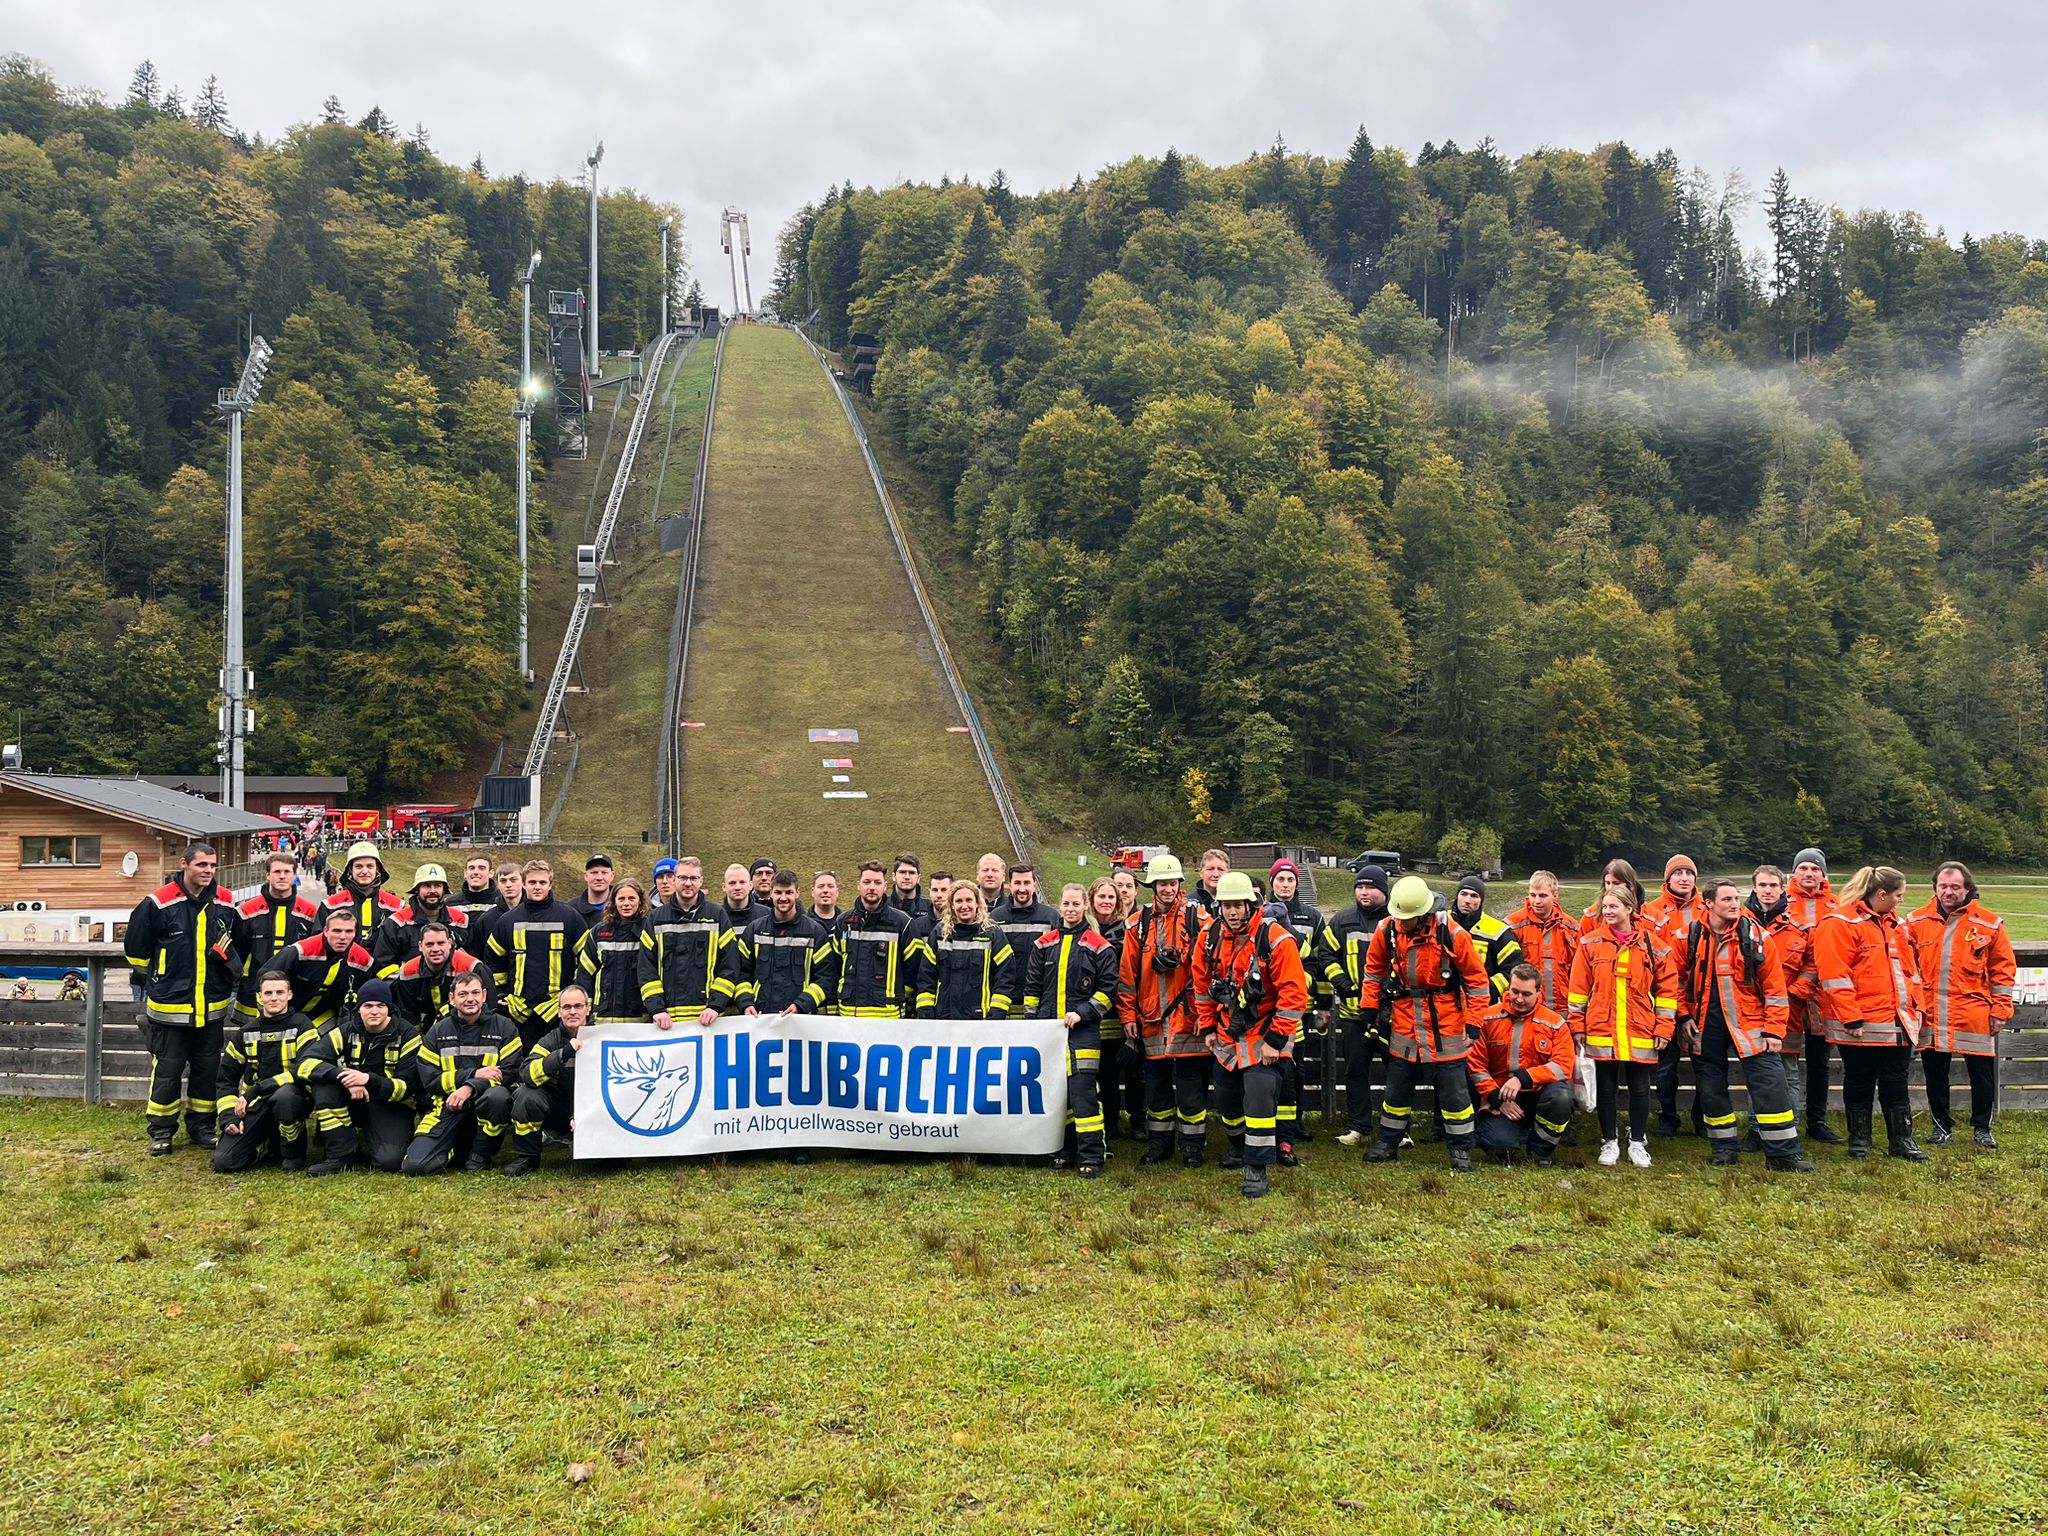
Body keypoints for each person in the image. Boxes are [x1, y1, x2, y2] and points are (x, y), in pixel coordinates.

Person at [1675, 880, 1815, 1172]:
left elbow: (1775, 988)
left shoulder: (1756, 936)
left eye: (1736, 898)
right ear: (1708, 903)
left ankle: (1782, 1154)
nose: (1734, 903)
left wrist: (1775, 1030)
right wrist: (1683, 1016)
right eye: (1726, 899)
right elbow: (1672, 980)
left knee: (1770, 1084)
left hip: (1751, 1024)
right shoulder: (1688, 936)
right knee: (1711, 1087)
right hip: (1704, 1023)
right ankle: (1723, 1149)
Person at [1360, 876, 1490, 1171]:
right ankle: (1389, 1142)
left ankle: (1460, 1149)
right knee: (1397, 1086)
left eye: (1407, 919)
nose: (1401, 923)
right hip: (1405, 1017)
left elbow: (1477, 982)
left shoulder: (1452, 933)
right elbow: (1373, 971)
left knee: (1454, 1089)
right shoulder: (1387, 929)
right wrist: (1369, 1006)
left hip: (1446, 1019)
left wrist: (1474, 1022)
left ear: (1423, 914)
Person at [1193, 870, 1309, 1197]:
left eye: (1238, 905)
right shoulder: (1208, 937)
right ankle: (1238, 1146)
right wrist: (1208, 1027)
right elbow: (1202, 988)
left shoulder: (1274, 938)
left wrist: (1276, 1040)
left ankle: (1256, 1167)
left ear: (1250, 904)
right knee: (1228, 1100)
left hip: (1264, 1033)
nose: (1232, 911)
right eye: (1226, 905)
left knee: (1259, 1099)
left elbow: (1294, 994)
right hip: (1227, 1033)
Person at [125, 841, 242, 1155]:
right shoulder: (157, 903)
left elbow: (238, 943)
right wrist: (160, 978)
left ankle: (202, 1129)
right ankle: (161, 1132)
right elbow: (136, 951)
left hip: (212, 1010)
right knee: (167, 1073)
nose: (208, 871)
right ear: (184, 864)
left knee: (207, 1073)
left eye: (213, 866)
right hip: (168, 1008)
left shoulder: (227, 902)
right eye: (202, 865)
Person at [1814, 866, 1928, 1162]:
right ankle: (1860, 1140)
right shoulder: (1839, 923)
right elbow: (1833, 974)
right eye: (1898, 895)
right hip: (1861, 1024)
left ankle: (1901, 1140)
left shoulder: (1896, 925)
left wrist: (1917, 1007)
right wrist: (1850, 1017)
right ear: (1881, 895)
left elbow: (1910, 971)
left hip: (1897, 1021)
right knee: (1859, 1079)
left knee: (1896, 1081)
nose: (1901, 901)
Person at [1568, 885, 1677, 1168]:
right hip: (1601, 1028)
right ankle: (1609, 1141)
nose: (1608, 912)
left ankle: (1638, 1142)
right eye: (1605, 907)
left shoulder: (1654, 946)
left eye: (1614, 907)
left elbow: (1667, 992)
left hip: (1641, 1029)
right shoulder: (1589, 944)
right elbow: (1578, 989)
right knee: (1606, 1087)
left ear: (1630, 909)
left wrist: (1664, 1028)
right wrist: (1577, 1025)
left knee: (1640, 1087)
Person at [1906, 860, 2013, 1150]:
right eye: (1943, 886)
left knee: (1982, 1074)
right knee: (1935, 1073)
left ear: (1968, 889)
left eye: (1955, 886)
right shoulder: (1914, 922)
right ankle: (1941, 1126)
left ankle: (1983, 1128)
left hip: (1973, 1011)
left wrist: (2001, 1010)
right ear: (1935, 887)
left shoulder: (1989, 923)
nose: (1948, 891)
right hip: (1929, 1012)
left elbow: (2003, 970)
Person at [1120, 854, 1212, 1167]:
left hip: (1189, 1019)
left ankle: (1192, 1147)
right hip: (1151, 1021)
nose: (1168, 888)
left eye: (1172, 882)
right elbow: (1127, 976)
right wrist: (1128, 1016)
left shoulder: (1198, 918)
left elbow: (1210, 969)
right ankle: (1160, 1144)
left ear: (1179, 884)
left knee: (1191, 1090)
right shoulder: (1137, 924)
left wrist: (1205, 1014)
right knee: (1156, 1090)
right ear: (1152, 886)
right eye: (1162, 883)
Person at [1024, 883, 1119, 1177]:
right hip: (1050, 1035)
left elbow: (1108, 992)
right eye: (1066, 904)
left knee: (1083, 1094)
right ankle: (1065, 1151)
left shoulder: (1099, 946)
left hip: (1084, 1034)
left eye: (1076, 904)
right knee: (1057, 1095)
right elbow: (1032, 988)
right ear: (1060, 905)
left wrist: (1083, 1012)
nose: (1070, 909)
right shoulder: (1044, 943)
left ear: (1085, 907)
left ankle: (1092, 1155)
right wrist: (1032, 1022)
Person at [401, 970, 524, 1175]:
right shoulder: (437, 1031)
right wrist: (474, 1075)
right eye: (463, 994)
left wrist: (468, 1087)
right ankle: (456, 1151)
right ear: (451, 999)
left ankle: (480, 1156)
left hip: (485, 1105)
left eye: (475, 993)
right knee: (415, 1166)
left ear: (484, 995)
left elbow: (509, 1073)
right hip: (447, 1107)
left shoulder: (504, 1027)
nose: (470, 999)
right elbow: (429, 1079)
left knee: (498, 1097)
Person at [299, 977, 421, 1175]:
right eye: (368, 1005)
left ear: (389, 1008)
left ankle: (367, 1141)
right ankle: (340, 1155)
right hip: (353, 1098)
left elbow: (406, 1087)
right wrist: (344, 1077)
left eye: (381, 1005)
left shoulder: (408, 1035)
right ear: (358, 1009)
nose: (374, 1011)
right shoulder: (346, 1030)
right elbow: (305, 1064)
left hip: (390, 1104)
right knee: (324, 1085)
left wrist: (368, 1080)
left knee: (389, 1161)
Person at [1470, 963, 1575, 1166]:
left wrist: (1523, 1078)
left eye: (1526, 994)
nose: (1518, 999)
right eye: (1514, 991)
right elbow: (1476, 1066)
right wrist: (1498, 1100)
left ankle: (1541, 1151)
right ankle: (1517, 1136)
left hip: (1542, 1094)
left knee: (1561, 1097)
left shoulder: (1554, 1023)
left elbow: (1563, 1065)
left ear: (1538, 992)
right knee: (1499, 1148)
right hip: (1502, 1097)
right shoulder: (1488, 1018)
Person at [211, 971, 315, 1174]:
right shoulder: (246, 1032)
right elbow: (226, 1078)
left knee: (286, 1098)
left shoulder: (303, 1026)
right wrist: (227, 1117)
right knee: (225, 1162)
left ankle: (293, 1153)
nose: (274, 997)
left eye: (279, 992)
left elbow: (304, 1070)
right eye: (268, 993)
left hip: (294, 1098)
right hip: (256, 1104)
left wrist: (258, 1088)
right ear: (259, 996)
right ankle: (264, 1145)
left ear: (290, 995)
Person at [1265, 859, 1331, 1161]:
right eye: (1280, 880)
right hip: (1268, 1008)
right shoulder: (1262, 914)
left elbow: (1319, 962)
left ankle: (1297, 1120)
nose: (1285, 884)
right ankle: (1272, 1126)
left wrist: (1322, 1004)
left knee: (1297, 1067)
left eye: (1290, 880)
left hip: (1300, 1006)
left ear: (1297, 884)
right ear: (1272, 883)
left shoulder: (1313, 916)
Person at [1747, 865, 1815, 1147]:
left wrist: (1793, 993)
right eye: (1762, 885)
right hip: (1749, 1011)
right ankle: (1755, 1130)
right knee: (1756, 1074)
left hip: (1789, 1012)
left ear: (1783, 889)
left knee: (1787, 1073)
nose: (1767, 890)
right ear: (1754, 888)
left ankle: (1789, 1127)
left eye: (1773, 886)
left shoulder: (1801, 925)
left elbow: (1813, 966)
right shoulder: (1740, 922)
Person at [487, 860, 587, 1048]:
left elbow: (586, 959)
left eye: (542, 882)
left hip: (558, 1011)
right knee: (523, 1065)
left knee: (558, 1064)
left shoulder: (570, 917)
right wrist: (502, 993)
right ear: (524, 884)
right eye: (532, 882)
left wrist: (576, 993)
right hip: (519, 1011)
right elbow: (494, 959)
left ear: (550, 884)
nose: (537, 887)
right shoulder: (507, 920)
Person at [1644, 855, 1709, 1136]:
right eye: (1678, 873)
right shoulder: (1651, 911)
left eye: (1689, 873)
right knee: (1666, 1068)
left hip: (1702, 1000)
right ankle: (1668, 1118)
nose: (1684, 878)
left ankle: (1701, 1118)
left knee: (1705, 1066)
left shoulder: (1707, 908)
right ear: (1667, 879)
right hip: (1665, 998)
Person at [1327, 865, 1392, 1150]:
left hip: (1391, 1015)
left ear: (1384, 891)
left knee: (1397, 1072)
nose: (1364, 892)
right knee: (1355, 1072)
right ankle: (1359, 1128)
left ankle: (1397, 1130)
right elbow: (1326, 955)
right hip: (1353, 1014)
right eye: (1360, 887)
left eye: (1371, 887)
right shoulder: (1341, 920)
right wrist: (1341, 982)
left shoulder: (1396, 919)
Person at [724, 870, 842, 1015]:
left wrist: (801, 1005)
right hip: (759, 1019)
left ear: (797, 893)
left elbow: (825, 977)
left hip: (801, 1019)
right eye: (778, 892)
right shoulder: (754, 930)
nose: (783, 898)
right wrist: (746, 1003)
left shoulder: (815, 932)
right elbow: (741, 973)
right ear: (771, 892)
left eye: (788, 892)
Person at [506, 984, 594, 1177]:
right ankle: (527, 1157)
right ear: (559, 1012)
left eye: (578, 1006)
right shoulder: (550, 1040)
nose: (572, 1011)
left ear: (588, 1009)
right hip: (559, 1112)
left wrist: (582, 1115)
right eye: (566, 1007)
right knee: (526, 1095)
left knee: (608, 1165)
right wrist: (563, 1054)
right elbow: (527, 1073)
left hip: (593, 1112)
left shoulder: (603, 1037)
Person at [1786, 848, 1843, 1142]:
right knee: (1787, 1060)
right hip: (1791, 996)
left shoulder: (1838, 905)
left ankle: (1817, 1120)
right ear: (1794, 872)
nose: (1809, 874)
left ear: (1823, 875)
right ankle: (1786, 1118)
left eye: (1815, 869)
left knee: (1820, 1062)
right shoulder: (1783, 902)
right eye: (1804, 868)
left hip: (1824, 997)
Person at [233, 852, 319, 1024]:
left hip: (294, 994)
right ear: (267, 875)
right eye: (277, 871)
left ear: (294, 875)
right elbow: (236, 955)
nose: (282, 876)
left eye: (287, 872)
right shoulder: (246, 911)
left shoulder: (310, 912)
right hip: (252, 995)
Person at [259, 905, 373, 1030]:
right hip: (286, 1013)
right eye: (337, 931)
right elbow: (264, 978)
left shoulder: (363, 960)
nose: (342, 937)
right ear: (325, 931)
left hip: (325, 1017)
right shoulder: (301, 951)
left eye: (349, 931)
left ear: (355, 933)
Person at [914, 882, 1014, 1019]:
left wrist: (996, 1015)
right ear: (952, 905)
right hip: (944, 1020)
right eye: (959, 901)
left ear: (978, 903)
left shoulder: (993, 934)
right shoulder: (939, 934)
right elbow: (926, 979)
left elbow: (1005, 978)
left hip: (981, 1021)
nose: (964, 906)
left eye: (969, 900)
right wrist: (926, 1016)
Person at [652, 856, 729, 1031]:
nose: (688, 883)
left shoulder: (717, 916)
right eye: (683, 878)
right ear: (674, 879)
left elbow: (730, 965)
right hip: (666, 1020)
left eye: (693, 878)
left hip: (710, 1021)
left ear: (701, 881)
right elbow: (646, 968)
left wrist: (715, 1005)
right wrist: (656, 1008)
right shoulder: (656, 919)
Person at [838, 862, 922, 1019]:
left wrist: (899, 996)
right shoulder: (843, 922)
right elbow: (834, 966)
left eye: (877, 882)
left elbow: (915, 969)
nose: (871, 887)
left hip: (888, 1018)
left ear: (885, 886)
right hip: (848, 1017)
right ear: (858, 885)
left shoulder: (903, 923)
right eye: (866, 882)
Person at [1087, 875, 1134, 1140]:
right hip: (1088, 1013)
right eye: (1101, 896)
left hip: (1117, 1013)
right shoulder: (1083, 928)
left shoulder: (1127, 930)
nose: (1106, 901)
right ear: (1092, 899)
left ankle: (1114, 1122)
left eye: (1111, 897)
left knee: (1110, 1073)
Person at [575, 877, 658, 1024]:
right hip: (603, 1017)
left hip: (641, 1020)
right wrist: (585, 1010)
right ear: (613, 902)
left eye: (631, 898)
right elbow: (585, 976)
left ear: (640, 901)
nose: (626, 903)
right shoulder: (598, 933)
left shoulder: (649, 931)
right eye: (621, 899)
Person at [370, 863, 469, 975]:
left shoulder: (461, 921)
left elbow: (471, 962)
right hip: (410, 990)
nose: (432, 891)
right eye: (426, 886)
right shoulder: (396, 924)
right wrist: (404, 985)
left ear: (444, 889)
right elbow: (383, 966)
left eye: (437, 885)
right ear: (417, 889)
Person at [391, 920, 491, 1028]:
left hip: (468, 1028)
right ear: (420, 946)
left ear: (450, 943)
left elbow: (489, 1009)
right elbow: (408, 1016)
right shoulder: (408, 972)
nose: (435, 949)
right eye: (429, 944)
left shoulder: (472, 968)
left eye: (441, 943)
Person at [1506, 870, 1578, 1014]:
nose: (1537, 901)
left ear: (1555, 896)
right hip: (1525, 1008)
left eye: (1543, 896)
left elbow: (1580, 973)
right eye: (1533, 895)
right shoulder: (1512, 925)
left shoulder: (1572, 927)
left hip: (1562, 1009)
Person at [989, 865, 1058, 1007]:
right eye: (1017, 883)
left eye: (1026, 883)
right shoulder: (995, 917)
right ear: (1009, 885)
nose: (1022, 889)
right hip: (1002, 1000)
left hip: (1041, 1000)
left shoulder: (1051, 917)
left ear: (1035, 885)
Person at [323, 841, 402, 943]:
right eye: (359, 866)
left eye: (370, 866)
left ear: (377, 869)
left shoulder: (395, 906)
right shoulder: (330, 905)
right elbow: (320, 944)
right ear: (350, 870)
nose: (364, 871)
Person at [448, 854, 501, 957]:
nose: (476, 872)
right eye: (471, 868)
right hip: (462, 966)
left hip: (496, 963)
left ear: (491, 873)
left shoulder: (502, 901)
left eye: (481, 868)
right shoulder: (451, 903)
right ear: (465, 873)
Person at [1579, 858, 1646, 933]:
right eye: (1607, 883)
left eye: (1616, 883)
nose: (1610, 888)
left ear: (1630, 885)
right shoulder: (1591, 915)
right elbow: (1581, 943)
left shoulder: (1649, 915)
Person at [888, 852, 933, 922]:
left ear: (918, 878)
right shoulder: (882, 905)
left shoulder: (930, 907)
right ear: (894, 876)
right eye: (902, 872)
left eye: (912, 873)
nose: (907, 877)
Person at [569, 854, 615, 923]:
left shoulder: (622, 907)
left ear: (612, 876)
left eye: (604, 873)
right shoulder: (571, 909)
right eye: (594, 872)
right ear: (586, 876)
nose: (599, 878)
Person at [722, 863, 770, 928]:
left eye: (742, 882)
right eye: (732, 883)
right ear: (724, 887)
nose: (738, 887)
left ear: (750, 885)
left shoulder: (767, 914)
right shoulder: (714, 916)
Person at [1190, 848, 1230, 916]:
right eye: (1210, 869)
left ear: (1228, 873)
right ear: (1201, 872)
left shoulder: (1238, 902)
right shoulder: (1189, 903)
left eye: (1221, 869)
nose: (1216, 874)